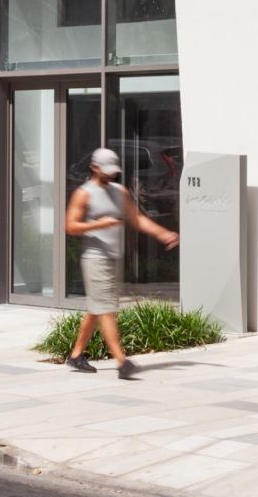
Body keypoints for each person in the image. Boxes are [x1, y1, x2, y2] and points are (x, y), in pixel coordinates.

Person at [62, 146, 178, 377]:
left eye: (113, 170)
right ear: (94, 168)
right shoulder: (84, 193)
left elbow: (137, 219)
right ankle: (122, 362)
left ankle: (76, 356)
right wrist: (98, 224)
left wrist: (162, 233)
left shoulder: (120, 191)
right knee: (107, 309)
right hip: (95, 258)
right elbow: (71, 226)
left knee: (97, 307)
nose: (111, 174)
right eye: (106, 170)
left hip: (114, 257)